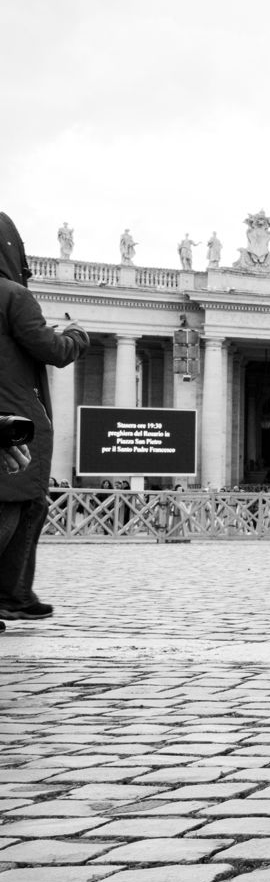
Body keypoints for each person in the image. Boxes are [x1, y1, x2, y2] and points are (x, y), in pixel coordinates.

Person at [0, 214, 88, 622]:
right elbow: (51, 349)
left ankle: (16, 594)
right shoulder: (13, 295)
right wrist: (75, 337)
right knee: (19, 508)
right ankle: (12, 594)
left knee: (23, 506)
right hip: (17, 423)